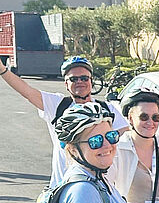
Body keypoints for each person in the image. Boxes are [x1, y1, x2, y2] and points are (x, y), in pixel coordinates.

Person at [0, 56, 129, 188]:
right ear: (66, 84)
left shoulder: (108, 108)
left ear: (91, 81)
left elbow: (126, 136)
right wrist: (2, 69)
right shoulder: (57, 105)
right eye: (73, 79)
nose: (80, 82)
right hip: (65, 185)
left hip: (103, 186)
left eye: (84, 78)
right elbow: (27, 91)